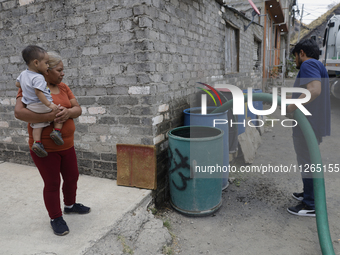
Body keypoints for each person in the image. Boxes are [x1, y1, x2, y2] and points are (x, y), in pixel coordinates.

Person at [15, 51, 90, 236]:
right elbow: (19, 113)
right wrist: (50, 116)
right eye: (59, 70)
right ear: (46, 71)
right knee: (52, 183)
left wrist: (69, 113)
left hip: (67, 145)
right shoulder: (30, 85)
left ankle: (70, 205)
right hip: (45, 149)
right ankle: (56, 217)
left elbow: (77, 108)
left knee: (72, 176)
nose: (62, 74)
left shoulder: (63, 87)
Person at [286, 39, 331, 217]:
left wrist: (291, 107)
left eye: (295, 56)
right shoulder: (316, 65)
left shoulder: (308, 64)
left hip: (308, 125)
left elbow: (314, 90)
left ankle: (310, 204)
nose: (295, 60)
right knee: (308, 162)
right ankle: (309, 194)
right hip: (312, 123)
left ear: (302, 53)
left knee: (308, 163)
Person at [16, 45, 64, 158]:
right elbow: (39, 93)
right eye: (46, 63)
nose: (47, 66)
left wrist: (26, 85)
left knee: (37, 124)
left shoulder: (23, 74)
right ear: (36, 63)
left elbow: (17, 84)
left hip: (31, 106)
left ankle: (37, 143)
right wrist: (50, 105)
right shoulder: (38, 77)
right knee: (60, 112)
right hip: (40, 104)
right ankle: (56, 131)